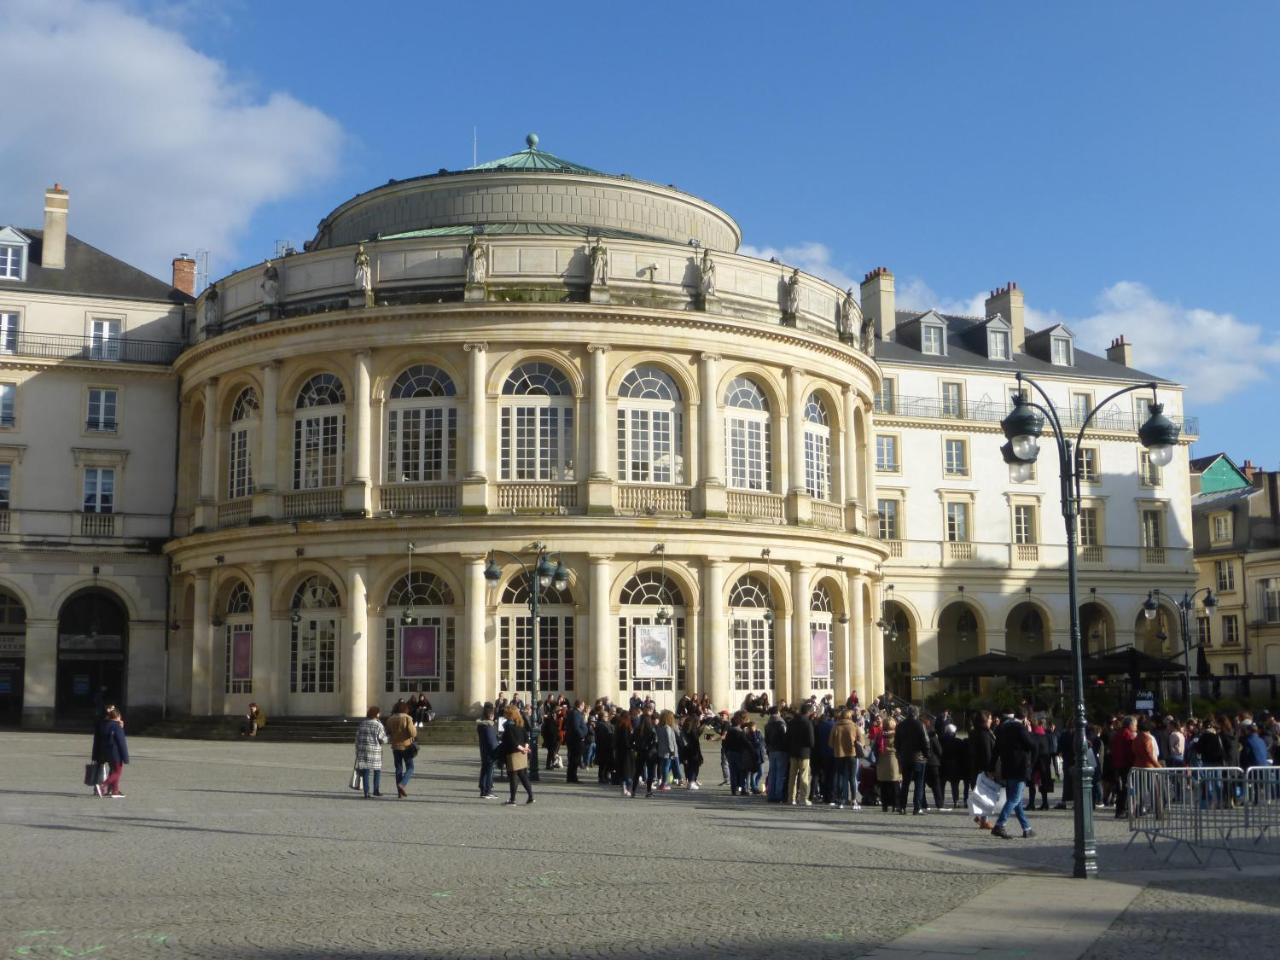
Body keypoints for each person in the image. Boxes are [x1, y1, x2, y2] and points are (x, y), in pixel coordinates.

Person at [990, 710, 1036, 839]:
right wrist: (1029, 731)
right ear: (1025, 718)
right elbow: (1032, 745)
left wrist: (991, 766)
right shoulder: (1020, 728)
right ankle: (1000, 824)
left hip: (1007, 768)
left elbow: (996, 749)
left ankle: (1026, 828)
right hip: (1020, 768)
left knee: (1017, 801)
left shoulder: (1002, 729)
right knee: (1015, 799)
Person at [894, 706, 929, 815]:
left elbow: (896, 743)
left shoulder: (900, 725)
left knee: (905, 783)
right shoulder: (920, 725)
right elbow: (925, 742)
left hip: (905, 758)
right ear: (916, 714)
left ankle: (902, 806)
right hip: (919, 758)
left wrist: (900, 753)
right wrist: (927, 754)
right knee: (919, 783)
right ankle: (917, 807)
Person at [498, 705, 534, 805]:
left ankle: (512, 799)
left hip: (513, 753)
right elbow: (526, 738)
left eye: (506, 713)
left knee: (513, 776)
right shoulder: (520, 725)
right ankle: (531, 796)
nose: (504, 714)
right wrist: (525, 748)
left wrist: (522, 748)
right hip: (522, 754)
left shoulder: (508, 727)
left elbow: (512, 742)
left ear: (510, 714)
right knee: (523, 775)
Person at [91, 706, 129, 798]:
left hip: (105, 753)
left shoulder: (102, 724)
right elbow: (121, 742)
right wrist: (125, 757)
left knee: (113, 771)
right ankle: (102, 786)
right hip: (115, 753)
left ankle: (114, 791)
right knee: (117, 772)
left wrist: (95, 755)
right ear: (117, 716)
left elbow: (96, 741)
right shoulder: (116, 726)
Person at [829, 707, 862, 809]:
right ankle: (853, 800)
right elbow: (861, 741)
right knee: (852, 778)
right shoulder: (854, 726)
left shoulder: (836, 726)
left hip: (839, 754)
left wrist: (838, 746)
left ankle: (840, 801)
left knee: (840, 777)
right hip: (852, 754)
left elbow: (830, 743)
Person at [384, 699, 418, 799]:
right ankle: (402, 784)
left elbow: (388, 732)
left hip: (395, 746)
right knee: (410, 767)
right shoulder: (407, 718)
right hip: (406, 746)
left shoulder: (390, 719)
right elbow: (413, 733)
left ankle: (399, 792)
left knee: (398, 768)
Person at [354, 706, 389, 799]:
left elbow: (357, 738)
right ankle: (376, 790)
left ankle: (366, 792)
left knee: (366, 771)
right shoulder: (378, 725)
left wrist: (357, 750)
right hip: (375, 751)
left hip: (363, 750)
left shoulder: (362, 724)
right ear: (377, 714)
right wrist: (387, 739)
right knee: (377, 770)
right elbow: (382, 739)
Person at [969, 712, 996, 829]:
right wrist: (990, 769)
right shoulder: (984, 734)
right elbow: (987, 753)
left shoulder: (975, 732)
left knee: (981, 794)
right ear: (985, 720)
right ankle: (984, 820)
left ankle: (980, 816)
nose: (992, 720)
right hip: (983, 769)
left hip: (975, 767)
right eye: (990, 718)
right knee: (986, 795)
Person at [786, 703, 816, 805]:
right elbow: (811, 741)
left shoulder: (792, 722)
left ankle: (791, 798)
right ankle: (803, 798)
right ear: (809, 712)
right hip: (804, 753)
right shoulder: (808, 723)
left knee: (792, 776)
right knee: (804, 776)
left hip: (793, 752)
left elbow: (787, 737)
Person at [875, 717, 900, 812]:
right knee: (895, 784)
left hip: (882, 760)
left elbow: (875, 748)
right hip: (894, 760)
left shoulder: (879, 735)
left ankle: (885, 805)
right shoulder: (896, 735)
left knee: (884, 785)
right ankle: (895, 804)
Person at [764, 705, 789, 803]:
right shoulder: (781, 723)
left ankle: (771, 794)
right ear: (778, 712)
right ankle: (778, 795)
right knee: (780, 773)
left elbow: (766, 739)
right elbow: (784, 737)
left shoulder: (768, 724)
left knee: (772, 773)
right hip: (781, 750)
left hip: (771, 750)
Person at [940, 722, 967, 808]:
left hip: (943, 765)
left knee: (942, 785)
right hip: (955, 766)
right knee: (955, 785)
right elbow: (963, 755)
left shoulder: (941, 741)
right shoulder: (959, 741)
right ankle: (956, 801)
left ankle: (941, 801)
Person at [476, 703, 499, 799]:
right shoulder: (488, 726)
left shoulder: (481, 725)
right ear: (490, 715)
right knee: (489, 770)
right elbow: (492, 741)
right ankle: (488, 790)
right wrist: (497, 750)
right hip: (490, 751)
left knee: (484, 769)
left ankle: (483, 789)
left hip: (484, 750)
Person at [565, 700, 589, 783]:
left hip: (575, 739)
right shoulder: (575, 713)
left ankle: (571, 777)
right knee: (575, 760)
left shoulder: (575, 713)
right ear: (580, 705)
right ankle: (572, 777)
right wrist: (582, 735)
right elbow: (576, 727)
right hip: (576, 740)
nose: (584, 707)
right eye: (583, 705)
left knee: (574, 759)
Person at [656, 710, 680, 791]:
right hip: (667, 751)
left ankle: (663, 782)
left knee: (663, 767)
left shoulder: (659, 727)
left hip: (661, 750)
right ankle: (664, 783)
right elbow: (670, 741)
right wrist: (672, 751)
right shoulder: (668, 728)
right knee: (666, 767)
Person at [615, 711, 638, 797]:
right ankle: (628, 789)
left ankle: (624, 789)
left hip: (620, 752)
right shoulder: (626, 726)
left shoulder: (618, 726)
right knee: (628, 772)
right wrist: (633, 746)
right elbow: (626, 740)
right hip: (627, 752)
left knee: (623, 771)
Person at [679, 713, 703, 789]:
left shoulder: (684, 729)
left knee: (688, 766)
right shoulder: (693, 730)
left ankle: (690, 781)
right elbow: (696, 740)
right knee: (694, 766)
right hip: (693, 751)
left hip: (685, 750)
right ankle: (692, 781)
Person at [541, 708, 562, 772]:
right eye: (555, 714)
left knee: (551, 752)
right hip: (551, 740)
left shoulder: (550, 721)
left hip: (551, 739)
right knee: (551, 752)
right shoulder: (550, 721)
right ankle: (550, 764)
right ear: (553, 715)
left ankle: (552, 763)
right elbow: (552, 731)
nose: (556, 715)